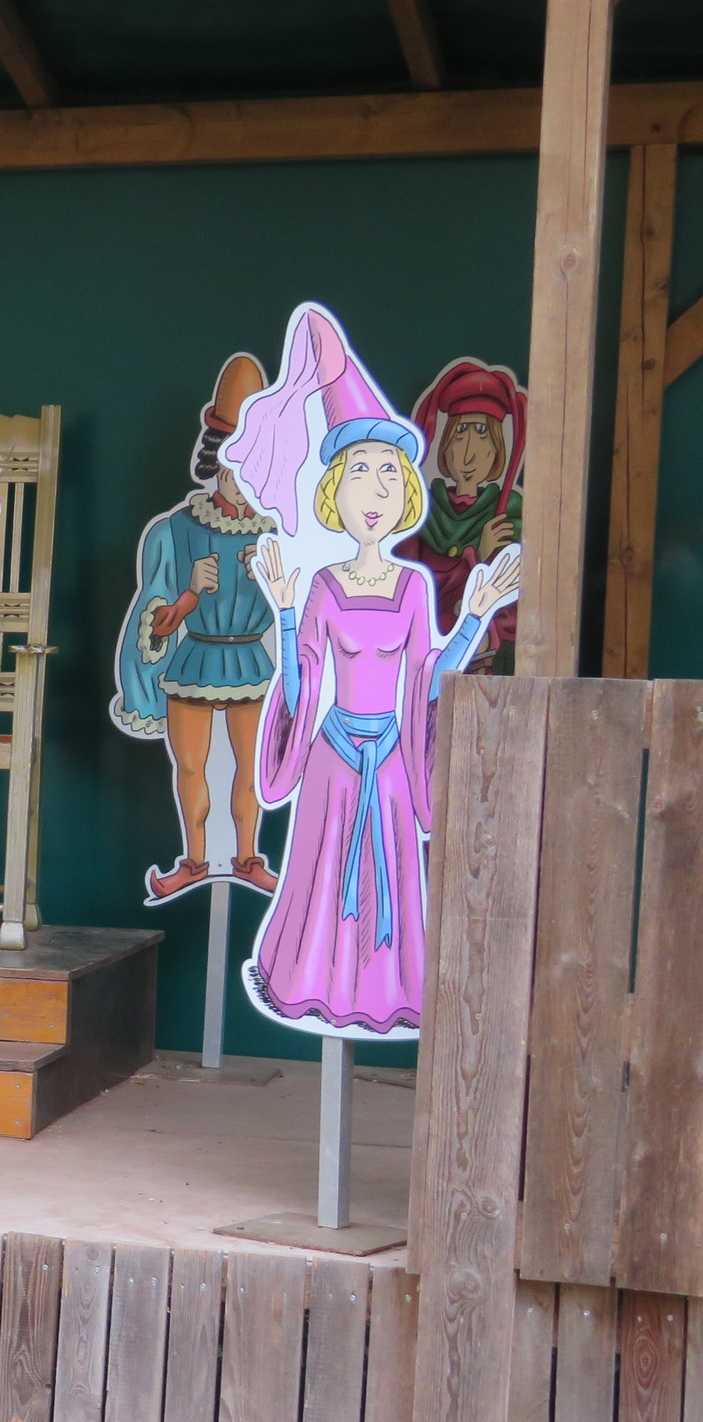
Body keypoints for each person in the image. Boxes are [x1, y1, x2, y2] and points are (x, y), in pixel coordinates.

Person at [227, 305, 519, 1039]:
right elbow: (301, 685)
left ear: (405, 494)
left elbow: (430, 675)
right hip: (332, 757)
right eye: (361, 473)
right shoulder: (323, 587)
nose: (377, 488)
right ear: (337, 492)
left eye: (389, 473)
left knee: (387, 875)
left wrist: (475, 614)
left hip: (389, 759)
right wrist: (286, 612)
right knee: (324, 874)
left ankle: (384, 991)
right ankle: (311, 983)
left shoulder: (415, 587)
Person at [109, 353, 281, 901]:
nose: (241, 483)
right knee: (190, 766)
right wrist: (189, 595)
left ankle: (248, 857)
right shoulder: (177, 530)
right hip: (197, 658)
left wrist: (271, 583)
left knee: (251, 768)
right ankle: (196, 860)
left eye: (252, 469)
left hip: (251, 660)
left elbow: (300, 613)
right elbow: (154, 622)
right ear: (215, 463)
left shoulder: (278, 534)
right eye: (233, 468)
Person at [405, 359, 525, 674]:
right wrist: (477, 556)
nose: (468, 452)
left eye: (482, 432)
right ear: (444, 445)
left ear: (499, 447)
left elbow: (515, 606)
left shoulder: (510, 514)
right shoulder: (423, 512)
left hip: (484, 663)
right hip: (428, 657)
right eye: (459, 433)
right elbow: (413, 588)